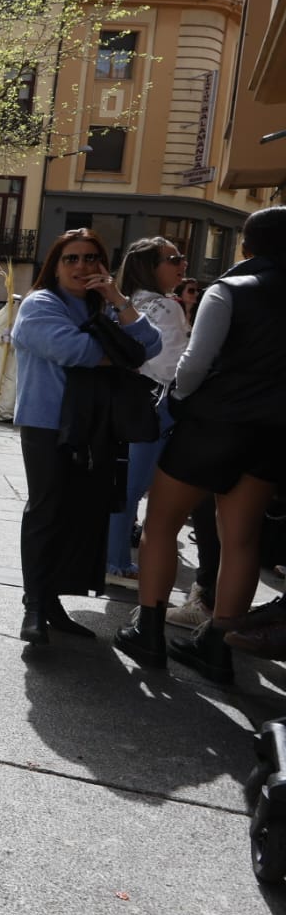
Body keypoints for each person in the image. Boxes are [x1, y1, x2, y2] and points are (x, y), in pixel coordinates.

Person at [115, 208, 286, 680]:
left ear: (246, 247)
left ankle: (147, 631)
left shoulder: (229, 289)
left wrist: (182, 399)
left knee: (161, 524)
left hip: (214, 422)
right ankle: (218, 645)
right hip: (273, 431)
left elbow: (192, 364)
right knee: (242, 539)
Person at [10, 228, 160, 644]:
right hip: (48, 424)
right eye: (71, 258)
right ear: (55, 265)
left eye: (90, 258)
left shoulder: (104, 307)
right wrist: (122, 354)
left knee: (80, 513)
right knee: (46, 510)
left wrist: (118, 301)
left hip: (98, 425)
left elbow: (150, 344)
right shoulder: (40, 303)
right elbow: (74, 351)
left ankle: (53, 602)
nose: (81, 266)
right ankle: (35, 605)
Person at [104, 237, 190, 586]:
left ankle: (111, 556)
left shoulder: (124, 302)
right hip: (155, 406)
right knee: (134, 487)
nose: (182, 263)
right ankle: (116, 562)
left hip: (123, 402)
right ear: (150, 267)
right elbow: (171, 368)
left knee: (122, 483)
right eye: (173, 258)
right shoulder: (167, 307)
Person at [0, 293, 23, 423]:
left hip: (13, 356)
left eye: (18, 303)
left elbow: (24, 339)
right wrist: (1, 338)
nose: (15, 306)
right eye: (13, 302)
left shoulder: (22, 319)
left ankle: (5, 412)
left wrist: (13, 341)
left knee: (10, 383)